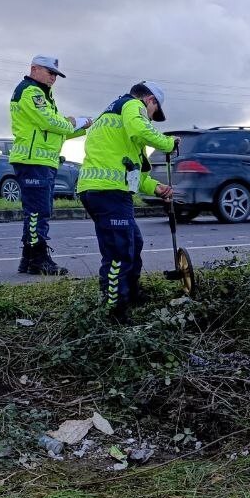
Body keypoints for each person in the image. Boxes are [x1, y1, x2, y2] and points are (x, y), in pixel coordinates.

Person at [76, 81, 177, 320]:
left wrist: (157, 188)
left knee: (134, 241)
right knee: (118, 252)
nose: (150, 119)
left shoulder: (113, 117)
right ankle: (114, 310)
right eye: (154, 112)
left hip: (104, 190)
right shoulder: (132, 106)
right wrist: (169, 143)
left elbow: (135, 176)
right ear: (149, 100)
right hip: (108, 192)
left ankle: (131, 294)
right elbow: (142, 130)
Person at [8, 55, 89, 275]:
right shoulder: (31, 91)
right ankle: (38, 259)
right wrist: (71, 122)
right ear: (34, 69)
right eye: (50, 72)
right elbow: (51, 122)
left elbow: (55, 132)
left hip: (42, 161)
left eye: (56, 75)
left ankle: (28, 259)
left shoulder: (43, 94)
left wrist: (83, 127)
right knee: (37, 212)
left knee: (39, 211)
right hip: (33, 160)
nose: (53, 78)